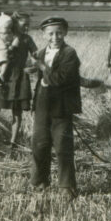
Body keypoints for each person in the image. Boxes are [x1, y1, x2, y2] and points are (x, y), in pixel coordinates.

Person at [30, 16, 81, 200]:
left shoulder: (70, 53)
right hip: (42, 104)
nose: (55, 37)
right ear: (44, 35)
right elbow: (38, 73)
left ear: (65, 32)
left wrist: (42, 67)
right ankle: (39, 181)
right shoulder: (41, 53)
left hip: (62, 106)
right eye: (50, 33)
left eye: (59, 32)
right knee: (39, 143)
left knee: (62, 146)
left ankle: (67, 186)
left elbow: (60, 79)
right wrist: (31, 68)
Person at [0, 12, 37, 149]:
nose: (26, 27)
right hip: (4, 77)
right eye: (24, 24)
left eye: (28, 25)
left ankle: (12, 143)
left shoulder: (27, 39)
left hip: (20, 78)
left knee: (17, 113)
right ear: (15, 22)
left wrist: (33, 67)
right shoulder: (4, 35)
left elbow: (36, 55)